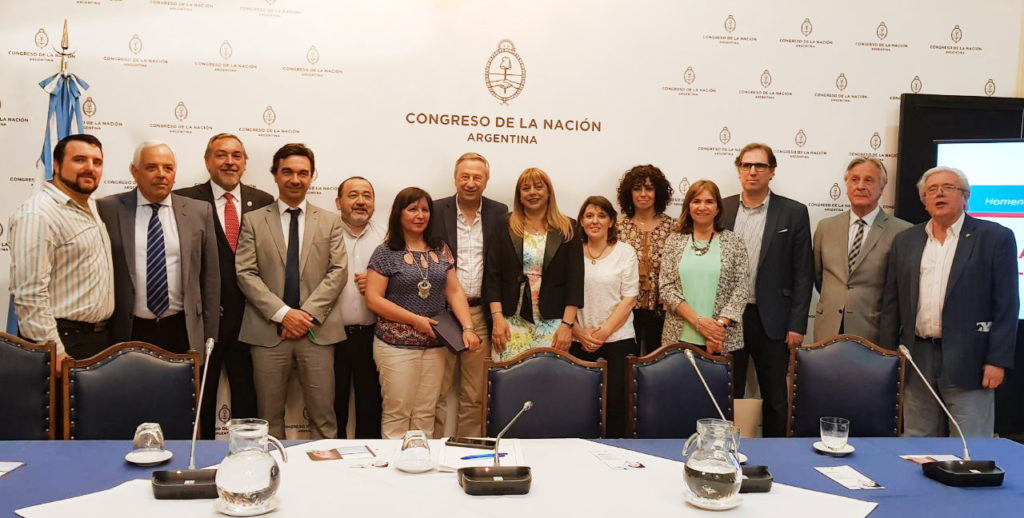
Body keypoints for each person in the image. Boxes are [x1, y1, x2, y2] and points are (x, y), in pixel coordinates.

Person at [880, 166, 1018, 437]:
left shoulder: (995, 237)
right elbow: (892, 304)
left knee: (971, 442)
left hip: (972, 360)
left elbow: (1007, 305)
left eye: (948, 187)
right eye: (932, 189)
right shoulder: (905, 241)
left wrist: (997, 360)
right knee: (917, 443)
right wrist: (889, 358)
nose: (939, 193)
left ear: (966, 197)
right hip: (917, 356)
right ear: (924, 200)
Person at [235, 143, 348, 439]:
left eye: (303, 173)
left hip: (317, 333)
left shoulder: (330, 221)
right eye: (287, 172)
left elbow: (338, 272)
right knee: (268, 421)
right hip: (267, 332)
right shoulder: (253, 221)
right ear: (274, 175)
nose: (295, 180)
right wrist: (284, 315)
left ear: (312, 177)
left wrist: (304, 316)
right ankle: (272, 478)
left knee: (324, 420)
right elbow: (245, 273)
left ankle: (323, 481)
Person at [176, 133, 274, 439]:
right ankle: (200, 460)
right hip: (203, 319)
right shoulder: (184, 200)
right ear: (207, 161)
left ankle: (249, 458)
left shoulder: (263, 202)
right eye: (221, 155)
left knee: (249, 398)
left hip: (251, 319)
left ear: (245, 163)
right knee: (199, 396)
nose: (229, 162)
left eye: (236, 155)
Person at [365, 187, 480, 439]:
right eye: (413, 209)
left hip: (436, 345)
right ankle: (395, 476)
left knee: (425, 413)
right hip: (396, 347)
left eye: (425, 210)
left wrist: (468, 327)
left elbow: (455, 292)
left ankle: (420, 470)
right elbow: (373, 299)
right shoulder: (385, 253)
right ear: (399, 213)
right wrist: (415, 320)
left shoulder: (440, 249)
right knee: (398, 413)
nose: (420, 215)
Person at [96, 141, 219, 360]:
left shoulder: (199, 211)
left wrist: (209, 335)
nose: (161, 174)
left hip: (182, 330)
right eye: (152, 167)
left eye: (168, 168)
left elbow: (210, 280)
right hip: (129, 329)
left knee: (180, 394)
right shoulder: (108, 209)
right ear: (134, 171)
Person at [721, 143, 812, 438]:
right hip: (728, 319)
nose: (753, 171)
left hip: (772, 319)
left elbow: (803, 272)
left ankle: (777, 457)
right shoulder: (722, 208)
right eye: (747, 165)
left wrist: (797, 325)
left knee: (775, 396)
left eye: (760, 166)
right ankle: (723, 452)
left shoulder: (794, 212)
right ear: (738, 170)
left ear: (772, 171)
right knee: (726, 392)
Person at [9, 134, 114, 363]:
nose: (90, 168)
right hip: (62, 342)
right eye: (79, 160)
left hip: (97, 340)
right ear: (56, 165)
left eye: (97, 162)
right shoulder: (38, 214)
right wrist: (54, 350)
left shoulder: (91, 207)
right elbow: (29, 293)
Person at [431, 152, 509, 438]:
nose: (470, 183)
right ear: (455, 178)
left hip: (480, 312)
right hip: (440, 313)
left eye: (477, 177)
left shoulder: (499, 213)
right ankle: (433, 449)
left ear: (486, 181)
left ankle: (466, 451)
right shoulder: (435, 210)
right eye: (465, 176)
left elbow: (502, 264)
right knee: (436, 391)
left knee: (474, 393)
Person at [485, 168, 584, 361]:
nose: (532, 192)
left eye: (538, 187)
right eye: (526, 188)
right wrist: (497, 318)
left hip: (553, 322)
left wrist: (567, 326)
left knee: (548, 380)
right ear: (519, 196)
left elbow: (575, 281)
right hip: (510, 320)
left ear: (548, 193)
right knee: (508, 379)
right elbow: (492, 276)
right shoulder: (504, 225)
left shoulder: (568, 228)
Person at [812, 157, 911, 344]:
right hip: (828, 328)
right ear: (847, 185)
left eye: (869, 180)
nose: (860, 186)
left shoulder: (902, 231)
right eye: (854, 179)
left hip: (873, 331)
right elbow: (819, 277)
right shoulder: (826, 227)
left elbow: (901, 289)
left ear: (881, 189)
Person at [569, 196, 638, 438]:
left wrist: (603, 333)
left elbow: (629, 298)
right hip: (578, 341)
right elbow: (559, 297)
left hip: (618, 341)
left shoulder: (625, 252)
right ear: (581, 221)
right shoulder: (571, 251)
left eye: (601, 215)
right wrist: (578, 332)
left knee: (617, 409)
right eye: (589, 216)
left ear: (611, 221)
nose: (594, 221)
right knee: (579, 408)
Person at [660, 180, 749, 354]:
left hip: (721, 339)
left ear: (718, 208)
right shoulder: (674, 241)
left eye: (709, 201)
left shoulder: (735, 242)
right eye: (696, 201)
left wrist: (717, 329)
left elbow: (741, 289)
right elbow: (666, 288)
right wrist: (699, 323)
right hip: (678, 338)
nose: (702, 207)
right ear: (688, 206)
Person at [334, 176, 385, 439]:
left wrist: (380, 285)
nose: (361, 201)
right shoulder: (324, 232)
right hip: (331, 337)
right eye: (353, 195)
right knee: (333, 410)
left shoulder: (386, 237)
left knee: (371, 408)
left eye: (367, 195)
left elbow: (402, 283)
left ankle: (372, 468)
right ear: (338, 202)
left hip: (372, 335)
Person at [615, 165, 676, 355]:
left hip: (662, 310)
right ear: (629, 193)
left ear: (657, 192)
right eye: (637, 188)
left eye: (649, 188)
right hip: (624, 309)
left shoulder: (673, 227)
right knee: (626, 363)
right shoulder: (618, 228)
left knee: (658, 364)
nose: (643, 194)